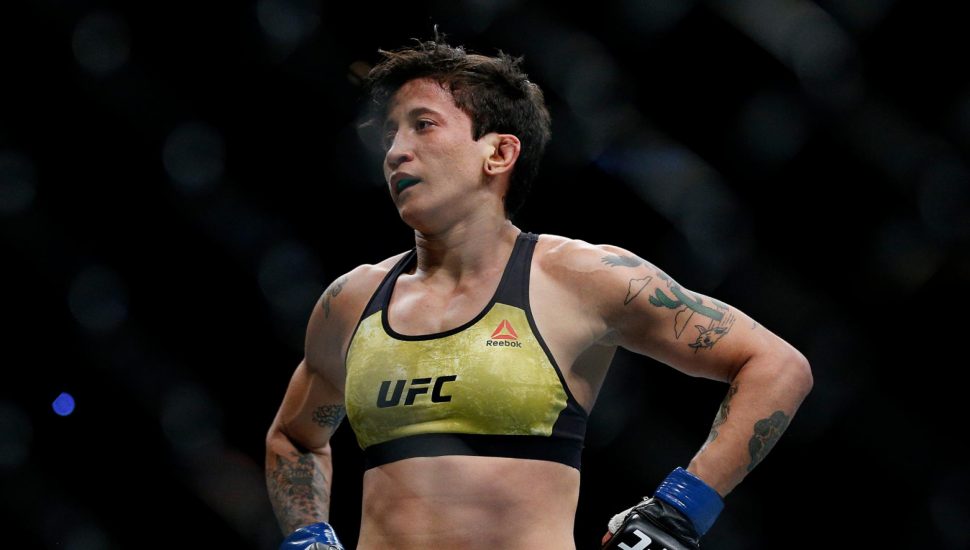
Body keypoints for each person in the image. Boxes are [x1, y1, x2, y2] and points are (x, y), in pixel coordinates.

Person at [265, 34, 813, 550]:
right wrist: (307, 536)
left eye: (423, 126)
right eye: (390, 134)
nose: (395, 152)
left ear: (498, 153)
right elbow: (295, 437)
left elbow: (776, 366)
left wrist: (677, 513)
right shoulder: (353, 301)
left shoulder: (576, 276)